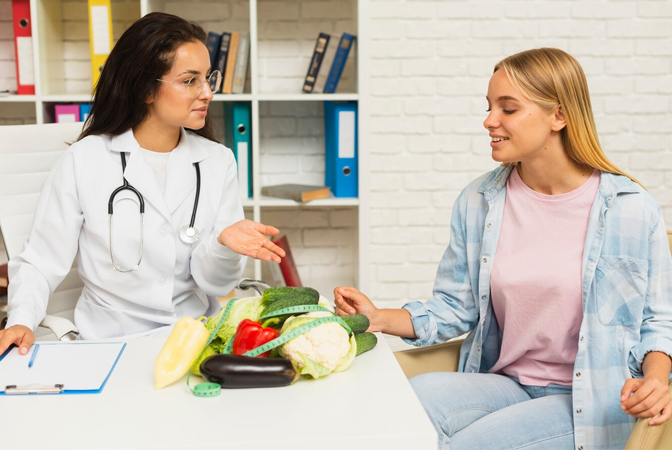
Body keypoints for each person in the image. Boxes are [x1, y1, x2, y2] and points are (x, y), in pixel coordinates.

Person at [334, 48, 672, 449]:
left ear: (559, 116)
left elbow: (659, 320)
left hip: (590, 400)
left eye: (508, 109)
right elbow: (456, 306)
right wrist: (378, 318)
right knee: (401, 409)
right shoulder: (480, 199)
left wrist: (656, 379)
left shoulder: (629, 209)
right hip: (507, 383)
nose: (489, 120)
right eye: (490, 106)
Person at [0, 13, 285, 354]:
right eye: (190, 80)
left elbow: (217, 283)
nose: (207, 92)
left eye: (208, 77)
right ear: (146, 89)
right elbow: (41, 260)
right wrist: (21, 320)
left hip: (192, 340)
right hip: (110, 344)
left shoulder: (217, 161)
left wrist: (224, 244)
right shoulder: (85, 160)